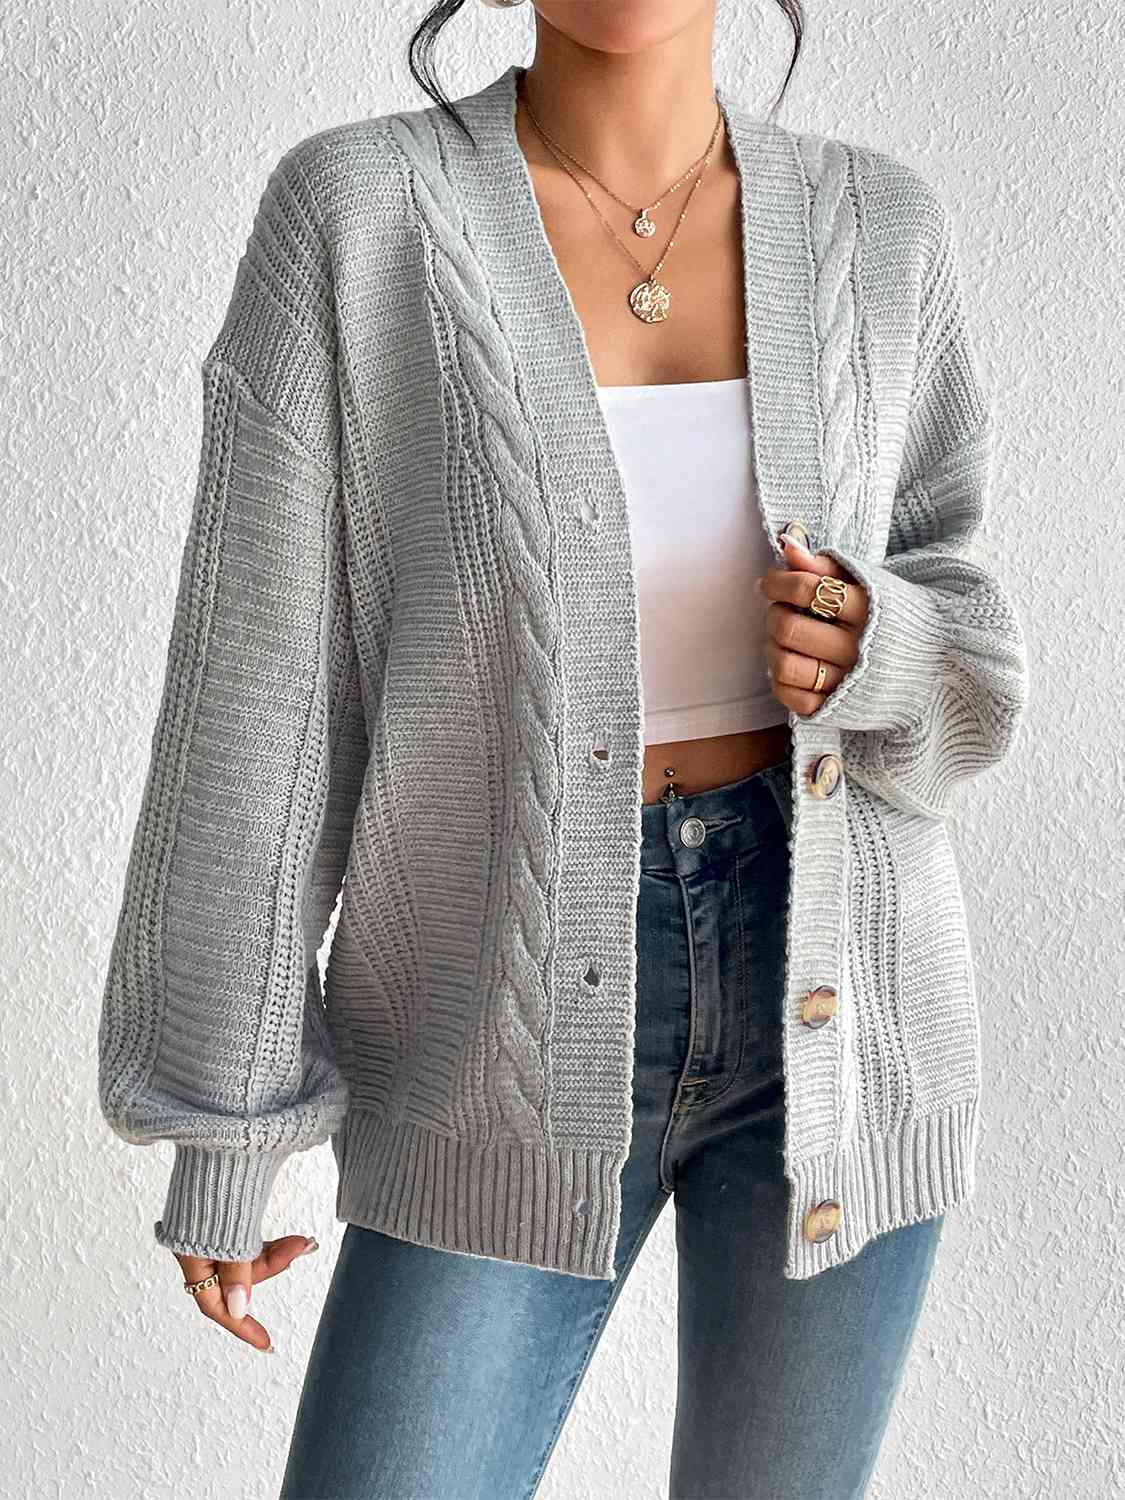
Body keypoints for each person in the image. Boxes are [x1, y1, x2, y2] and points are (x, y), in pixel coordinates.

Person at [97, 3, 1029, 1496]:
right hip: (497, 1018)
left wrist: (882, 645)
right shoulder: (358, 213)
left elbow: (969, 642)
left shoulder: (879, 223)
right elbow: (260, 701)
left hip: (844, 1016)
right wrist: (226, 1120)